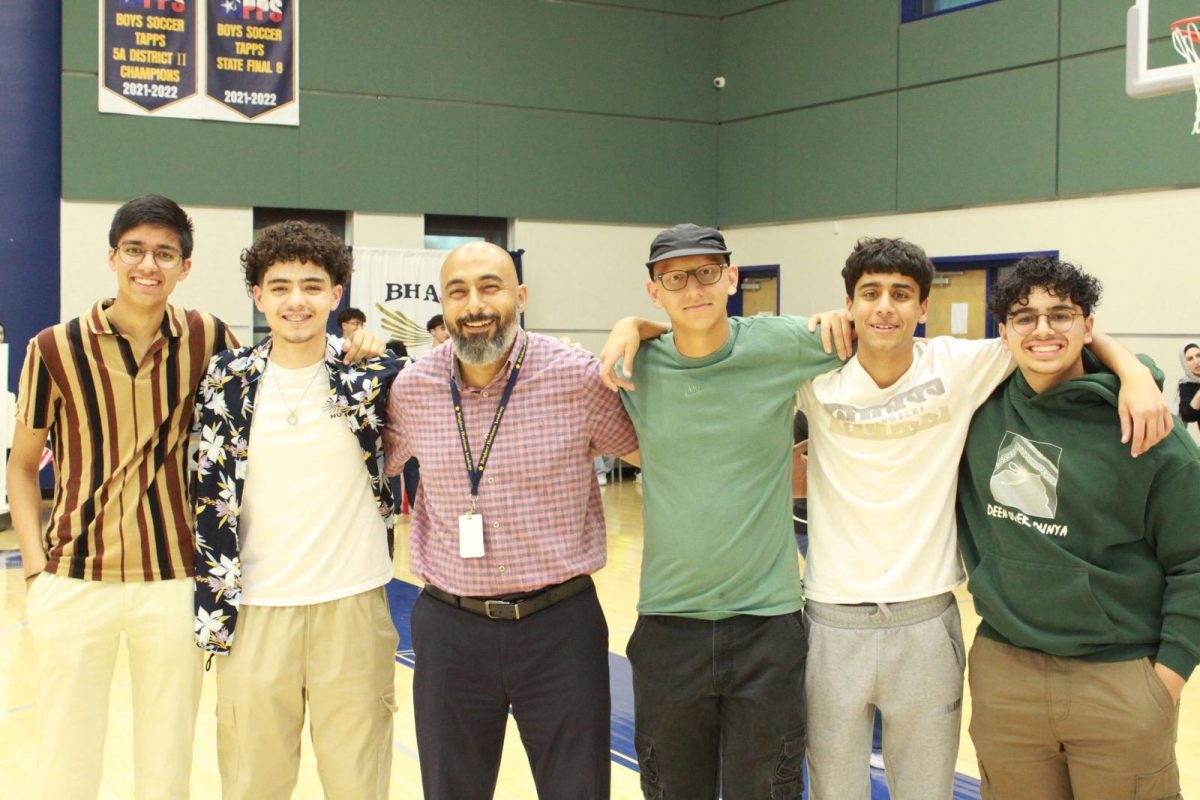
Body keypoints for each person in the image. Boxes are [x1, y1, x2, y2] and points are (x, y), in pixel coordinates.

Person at [602, 235, 1170, 800]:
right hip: (829, 623)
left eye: (901, 294)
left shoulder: (960, 364)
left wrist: (1136, 372)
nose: (884, 306)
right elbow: (709, 335)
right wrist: (635, 323)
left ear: (924, 307)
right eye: (869, 293)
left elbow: (1051, 342)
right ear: (848, 306)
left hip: (925, 621)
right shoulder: (813, 367)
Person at [383, 241, 638, 800]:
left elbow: (659, 456)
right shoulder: (412, 389)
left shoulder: (577, 377)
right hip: (450, 627)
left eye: (490, 287)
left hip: (560, 626)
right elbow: (362, 468)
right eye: (458, 291)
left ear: (520, 296)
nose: (475, 304)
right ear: (443, 305)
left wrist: (639, 328)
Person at [603, 223, 847, 799]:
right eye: (675, 277)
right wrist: (628, 328)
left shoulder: (781, 344)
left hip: (768, 626)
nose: (694, 288)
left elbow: (891, 335)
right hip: (669, 628)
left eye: (708, 272)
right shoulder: (636, 366)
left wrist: (1106, 353)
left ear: (732, 278)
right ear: (653, 290)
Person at [7, 195, 236, 799]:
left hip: (173, 581)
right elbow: (24, 468)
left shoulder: (210, 337)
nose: (148, 265)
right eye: (134, 250)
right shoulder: (53, 348)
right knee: (66, 760)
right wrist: (36, 572)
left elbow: (266, 407)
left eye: (165, 253)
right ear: (112, 257)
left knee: (168, 762)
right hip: (74, 580)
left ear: (185, 266)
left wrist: (358, 354)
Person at [957, 256, 1197, 799]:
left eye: (1061, 315)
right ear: (1003, 332)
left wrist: (1167, 677)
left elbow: (1196, 559)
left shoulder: (1148, 427)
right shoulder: (973, 406)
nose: (1042, 330)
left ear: (1088, 326)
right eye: (1024, 316)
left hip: (1119, 677)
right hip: (1006, 673)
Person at [192, 220, 401, 799]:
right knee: (252, 782)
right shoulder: (223, 381)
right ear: (258, 296)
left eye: (312, 285)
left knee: (358, 782)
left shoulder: (374, 375)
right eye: (279, 286)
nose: (296, 300)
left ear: (337, 295)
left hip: (353, 606)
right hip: (254, 610)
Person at [1176, 341, 1200, 430]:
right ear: (1185, 363)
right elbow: (1188, 415)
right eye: (1190, 359)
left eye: (1198, 355)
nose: (1196, 361)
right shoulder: (1187, 385)